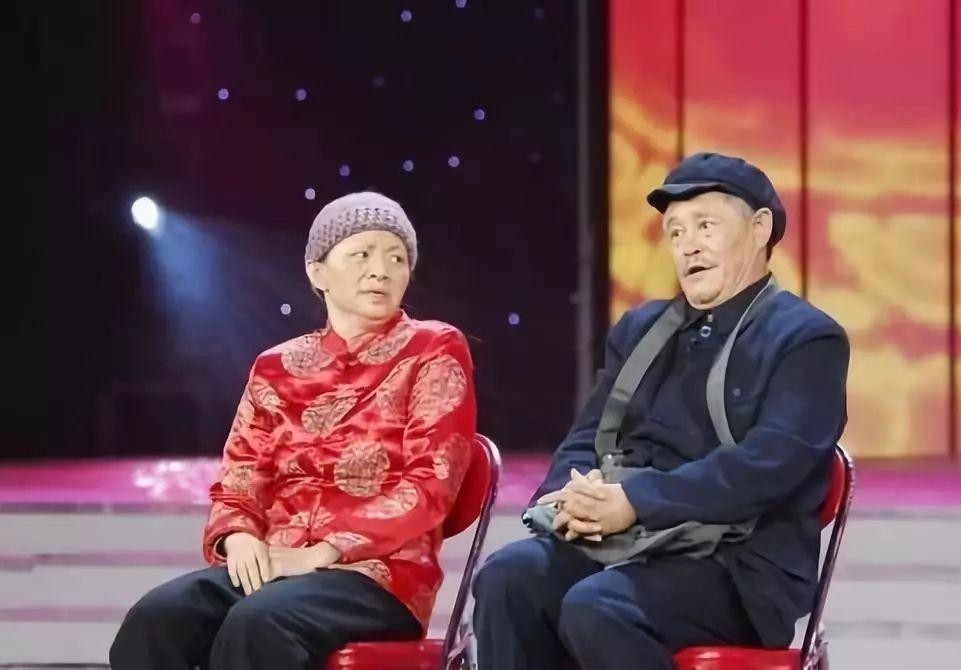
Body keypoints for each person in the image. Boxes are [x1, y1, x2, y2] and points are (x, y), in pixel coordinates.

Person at [473, 153, 850, 670]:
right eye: (675, 232)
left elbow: (768, 466)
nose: (687, 244)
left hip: (737, 565)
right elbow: (588, 437)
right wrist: (567, 497)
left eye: (705, 226)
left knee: (599, 608)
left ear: (760, 229)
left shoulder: (807, 339)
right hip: (627, 541)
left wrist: (637, 501)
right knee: (508, 578)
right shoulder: (641, 329)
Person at [111, 192, 476, 669]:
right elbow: (241, 475)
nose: (381, 270)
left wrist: (323, 551)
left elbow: (432, 483)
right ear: (317, 272)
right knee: (156, 619)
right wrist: (238, 536)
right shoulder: (275, 367)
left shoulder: (433, 348)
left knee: (257, 623)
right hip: (277, 561)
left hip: (377, 575)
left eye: (396, 258)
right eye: (362, 254)